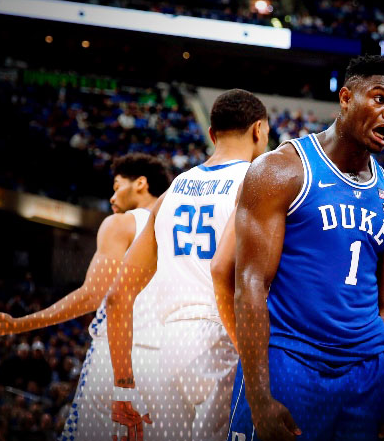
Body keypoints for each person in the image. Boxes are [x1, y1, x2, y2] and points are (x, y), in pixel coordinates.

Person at [225, 54, 384, 441]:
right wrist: (259, 396)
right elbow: (249, 285)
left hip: (367, 374)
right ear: (346, 98)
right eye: (379, 99)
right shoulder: (280, 171)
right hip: (290, 361)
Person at [104, 89, 269, 441]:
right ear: (259, 130)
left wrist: (123, 387)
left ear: (211, 134)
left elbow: (117, 296)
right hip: (226, 336)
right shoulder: (256, 183)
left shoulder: (171, 191)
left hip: (169, 347)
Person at [0, 153, 170, 441]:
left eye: (117, 185)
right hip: (167, 361)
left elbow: (92, 295)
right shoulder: (177, 227)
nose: (112, 195)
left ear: (141, 183)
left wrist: (20, 324)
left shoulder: (122, 223)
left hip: (116, 357)